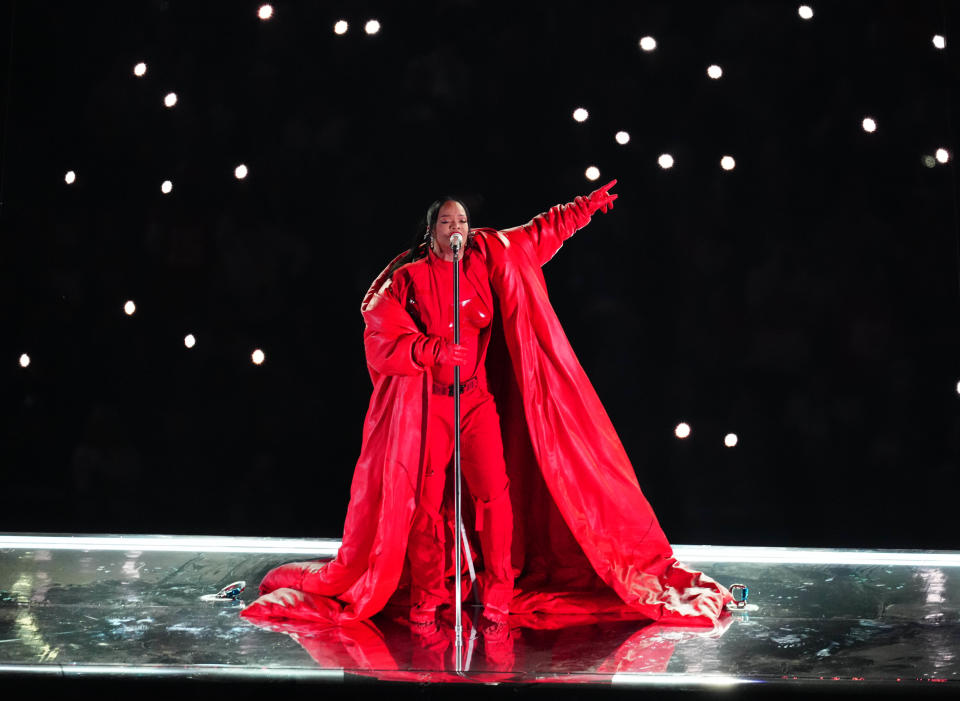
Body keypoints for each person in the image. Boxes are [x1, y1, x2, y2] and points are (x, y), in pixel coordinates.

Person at [242, 181, 731, 635]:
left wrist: (580, 210)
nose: (457, 230)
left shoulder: (486, 258)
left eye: (462, 223)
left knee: (494, 494)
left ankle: (498, 591)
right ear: (430, 232)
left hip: (475, 401)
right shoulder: (408, 279)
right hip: (431, 406)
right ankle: (428, 597)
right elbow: (380, 335)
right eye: (447, 223)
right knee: (427, 505)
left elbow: (539, 233)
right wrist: (428, 351)